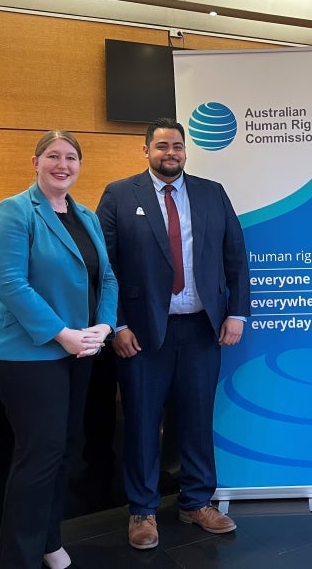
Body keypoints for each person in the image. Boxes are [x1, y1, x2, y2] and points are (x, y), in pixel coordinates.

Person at [96, 117, 250, 550]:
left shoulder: (211, 192)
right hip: (141, 335)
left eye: (177, 146)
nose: (171, 153)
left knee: (198, 420)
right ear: (145, 150)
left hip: (202, 330)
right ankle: (142, 511)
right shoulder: (119, 195)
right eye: (162, 146)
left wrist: (237, 313)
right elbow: (105, 269)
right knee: (143, 422)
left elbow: (235, 257)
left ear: (186, 150)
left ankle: (197, 501)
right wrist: (117, 325)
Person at [0, 130, 118, 569]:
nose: (63, 164)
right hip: (26, 354)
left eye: (72, 157)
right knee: (38, 456)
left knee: (63, 450)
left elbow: (109, 278)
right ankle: (17, 558)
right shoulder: (15, 211)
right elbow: (10, 284)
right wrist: (62, 333)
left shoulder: (86, 215)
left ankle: (47, 539)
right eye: (54, 156)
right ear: (35, 161)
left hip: (78, 350)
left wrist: (104, 325)